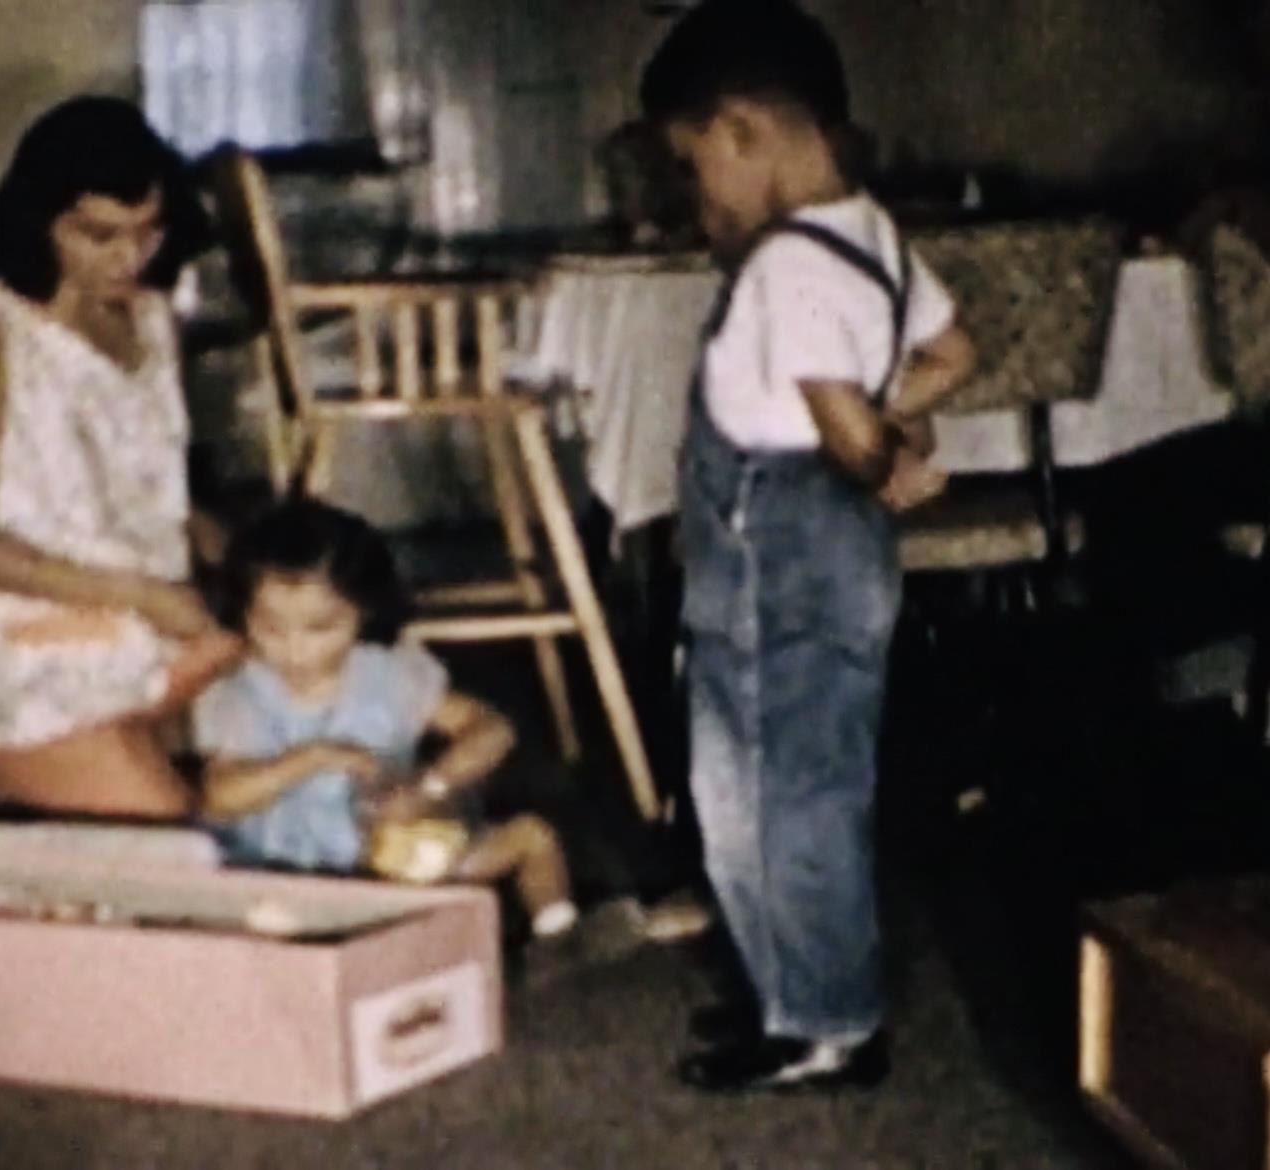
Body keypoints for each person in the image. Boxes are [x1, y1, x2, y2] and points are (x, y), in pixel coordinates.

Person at [639, 1, 976, 1090]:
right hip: (833, 564)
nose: (701, 199)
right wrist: (892, 418)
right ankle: (802, 999)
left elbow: (834, 429)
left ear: (741, 131)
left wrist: (882, 457)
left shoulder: (784, 265)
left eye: (695, 168)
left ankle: (825, 1022)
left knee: (763, 797)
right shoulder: (870, 233)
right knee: (808, 780)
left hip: (773, 566)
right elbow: (955, 351)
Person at [0, 96, 241, 819]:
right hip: (31, 650)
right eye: (98, 235)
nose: (129, 257)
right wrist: (142, 594)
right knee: (171, 838)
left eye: (147, 231)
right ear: (41, 222)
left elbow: (128, 477)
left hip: (142, 631)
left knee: (301, 697)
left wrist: (218, 540)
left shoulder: (147, 318)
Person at [191, 498, 580, 943]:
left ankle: (560, 944)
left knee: (533, 836)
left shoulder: (386, 675)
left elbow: (492, 730)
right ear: (244, 615)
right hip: (278, 871)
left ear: (363, 612)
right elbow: (221, 795)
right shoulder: (245, 691)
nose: (295, 649)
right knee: (256, 917)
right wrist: (313, 757)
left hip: (391, 863)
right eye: (272, 628)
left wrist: (430, 785)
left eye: (321, 629)